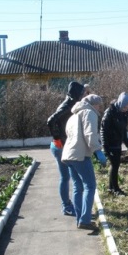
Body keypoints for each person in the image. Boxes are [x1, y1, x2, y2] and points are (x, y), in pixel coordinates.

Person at [61, 94, 107, 230]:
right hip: (80, 156)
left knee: (78, 187)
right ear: (92, 104)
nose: (99, 107)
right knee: (90, 186)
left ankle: (80, 218)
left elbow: (69, 134)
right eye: (98, 104)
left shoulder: (73, 115)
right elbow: (90, 134)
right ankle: (85, 221)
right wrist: (97, 150)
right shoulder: (89, 113)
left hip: (68, 155)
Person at [47, 81, 85, 216]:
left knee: (68, 176)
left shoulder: (71, 103)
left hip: (63, 145)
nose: (82, 95)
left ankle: (71, 205)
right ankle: (67, 206)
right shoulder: (67, 105)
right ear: (76, 93)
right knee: (66, 177)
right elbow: (51, 120)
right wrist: (57, 138)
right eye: (81, 93)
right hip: (60, 146)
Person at [100, 92, 128, 196]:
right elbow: (103, 130)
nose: (126, 110)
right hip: (110, 143)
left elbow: (123, 130)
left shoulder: (124, 113)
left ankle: (111, 188)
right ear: (121, 103)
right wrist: (105, 147)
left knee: (115, 166)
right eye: (124, 108)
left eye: (127, 108)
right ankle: (115, 189)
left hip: (117, 142)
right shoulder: (110, 112)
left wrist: (127, 143)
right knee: (115, 165)